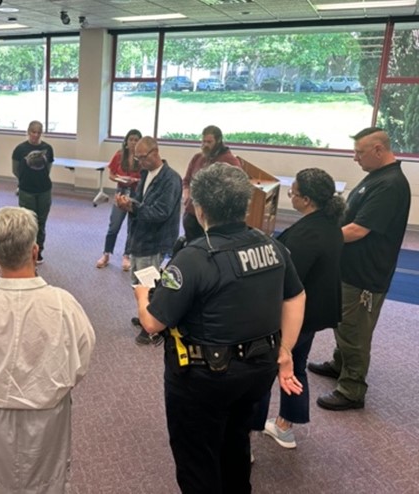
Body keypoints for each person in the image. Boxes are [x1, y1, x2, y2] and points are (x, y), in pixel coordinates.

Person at [133, 163, 305, 494]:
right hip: (259, 368)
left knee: (197, 458)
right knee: (235, 442)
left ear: (199, 209)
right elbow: (296, 296)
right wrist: (285, 350)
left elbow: (153, 322)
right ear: (244, 204)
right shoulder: (271, 245)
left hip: (204, 378)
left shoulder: (195, 257)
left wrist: (143, 296)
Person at [0, 206, 95, 493]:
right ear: (35, 250)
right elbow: (81, 361)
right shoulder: (64, 305)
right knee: (46, 483)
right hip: (48, 415)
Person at [309, 127, 411, 411]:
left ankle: (352, 389)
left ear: (379, 150)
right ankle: (339, 364)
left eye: (359, 152)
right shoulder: (377, 177)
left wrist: (320, 240)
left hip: (365, 273)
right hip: (350, 268)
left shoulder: (390, 185)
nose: (355, 158)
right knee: (343, 322)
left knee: (354, 330)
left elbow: (358, 230)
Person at [252, 168, 345, 448]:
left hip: (295, 316)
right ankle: (284, 426)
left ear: (306, 199)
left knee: (265, 371)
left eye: (293, 192)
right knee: (297, 366)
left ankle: (247, 436)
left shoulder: (308, 235)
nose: (290, 195)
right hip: (315, 313)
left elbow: (288, 281)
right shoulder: (328, 223)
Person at [115, 136, 181, 346]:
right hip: (140, 236)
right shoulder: (146, 174)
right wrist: (129, 202)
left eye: (143, 158)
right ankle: (145, 316)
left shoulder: (171, 179)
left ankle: (151, 328)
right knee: (138, 281)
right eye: (137, 158)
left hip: (155, 239)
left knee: (149, 283)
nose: (140, 163)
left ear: (155, 152)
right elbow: (144, 204)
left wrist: (132, 207)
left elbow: (161, 212)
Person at [182, 125, 241, 242]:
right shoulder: (198, 158)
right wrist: (186, 193)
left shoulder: (230, 161)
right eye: (203, 141)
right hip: (193, 213)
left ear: (219, 141)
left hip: (214, 219)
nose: (205, 145)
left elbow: (236, 187)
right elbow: (186, 180)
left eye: (209, 142)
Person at [96, 129, 142, 271]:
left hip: (136, 194)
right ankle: (106, 254)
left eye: (136, 140)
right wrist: (120, 179)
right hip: (121, 192)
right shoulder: (119, 155)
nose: (133, 142)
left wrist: (135, 180)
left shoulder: (142, 158)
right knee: (114, 226)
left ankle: (126, 255)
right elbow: (111, 175)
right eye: (131, 139)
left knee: (132, 227)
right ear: (126, 142)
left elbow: (146, 178)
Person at [12, 120, 55, 263]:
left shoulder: (47, 148)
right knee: (28, 223)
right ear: (28, 132)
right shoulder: (20, 149)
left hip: (44, 190)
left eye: (38, 132)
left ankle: (39, 250)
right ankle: (28, 250)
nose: (35, 135)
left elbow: (47, 168)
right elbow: (15, 170)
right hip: (26, 190)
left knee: (41, 222)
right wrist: (25, 180)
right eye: (33, 132)